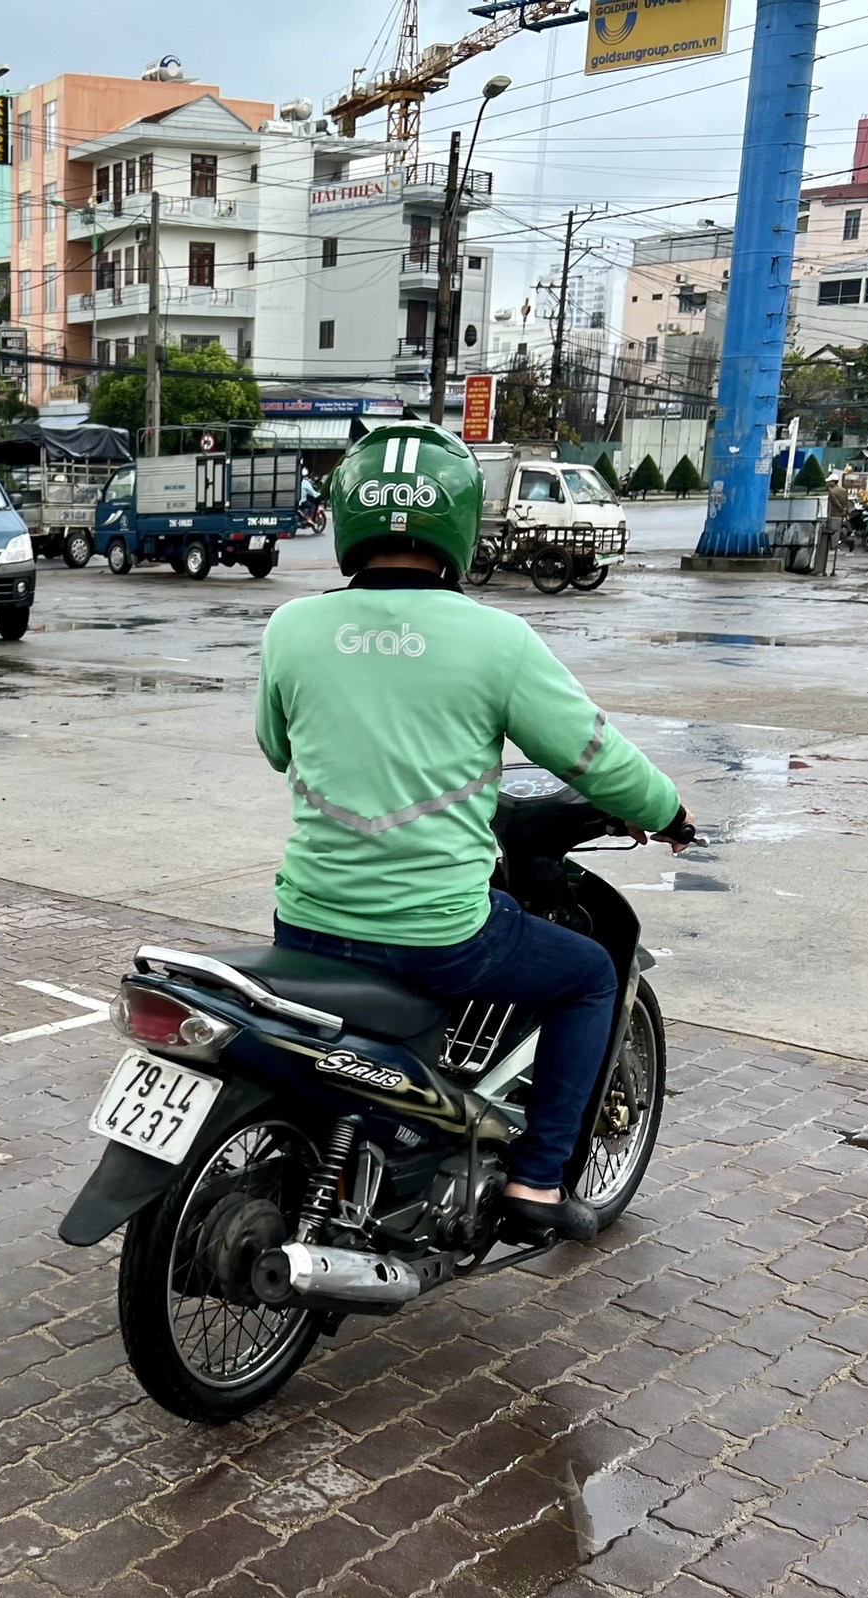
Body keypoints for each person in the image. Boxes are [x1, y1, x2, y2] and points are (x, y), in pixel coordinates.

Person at [256, 422, 695, 1242]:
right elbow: (594, 758)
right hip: (439, 933)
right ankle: (534, 1183)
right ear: (456, 524)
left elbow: (277, 745)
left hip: (306, 920)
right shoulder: (497, 639)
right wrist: (666, 812)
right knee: (589, 975)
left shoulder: (291, 627)